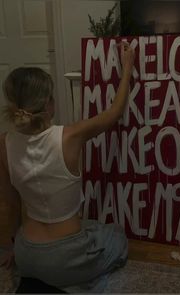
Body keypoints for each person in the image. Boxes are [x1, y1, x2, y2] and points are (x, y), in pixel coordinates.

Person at [0, 42, 135, 292]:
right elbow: (115, 112)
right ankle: (75, 282)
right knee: (116, 236)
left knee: (91, 227)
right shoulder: (71, 136)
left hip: (26, 254)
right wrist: (127, 66)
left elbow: (8, 204)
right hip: (65, 258)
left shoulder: (3, 144)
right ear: (49, 103)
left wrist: (9, 248)